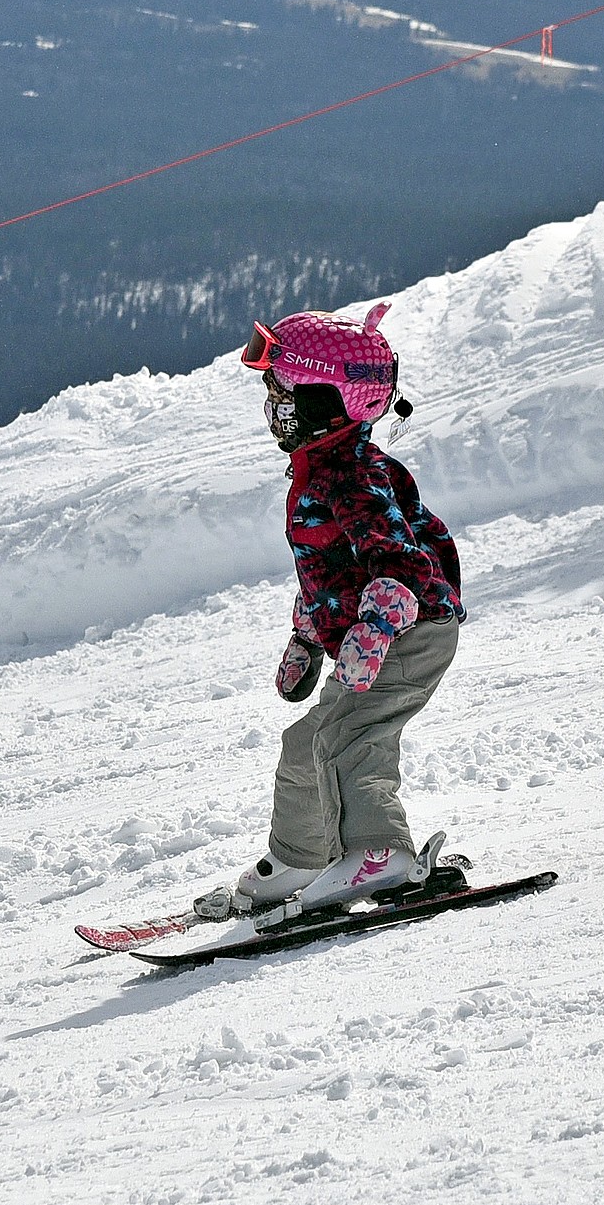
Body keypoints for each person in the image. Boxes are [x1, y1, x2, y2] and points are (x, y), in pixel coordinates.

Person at [235, 301, 466, 917]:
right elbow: (331, 572)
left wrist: (378, 621)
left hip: (408, 630)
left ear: (328, 402)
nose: (272, 409)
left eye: (284, 395)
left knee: (350, 735)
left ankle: (376, 853)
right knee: (306, 739)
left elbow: (400, 562)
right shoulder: (321, 471)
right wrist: (308, 635)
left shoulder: (354, 474)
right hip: (377, 634)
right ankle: (299, 859)